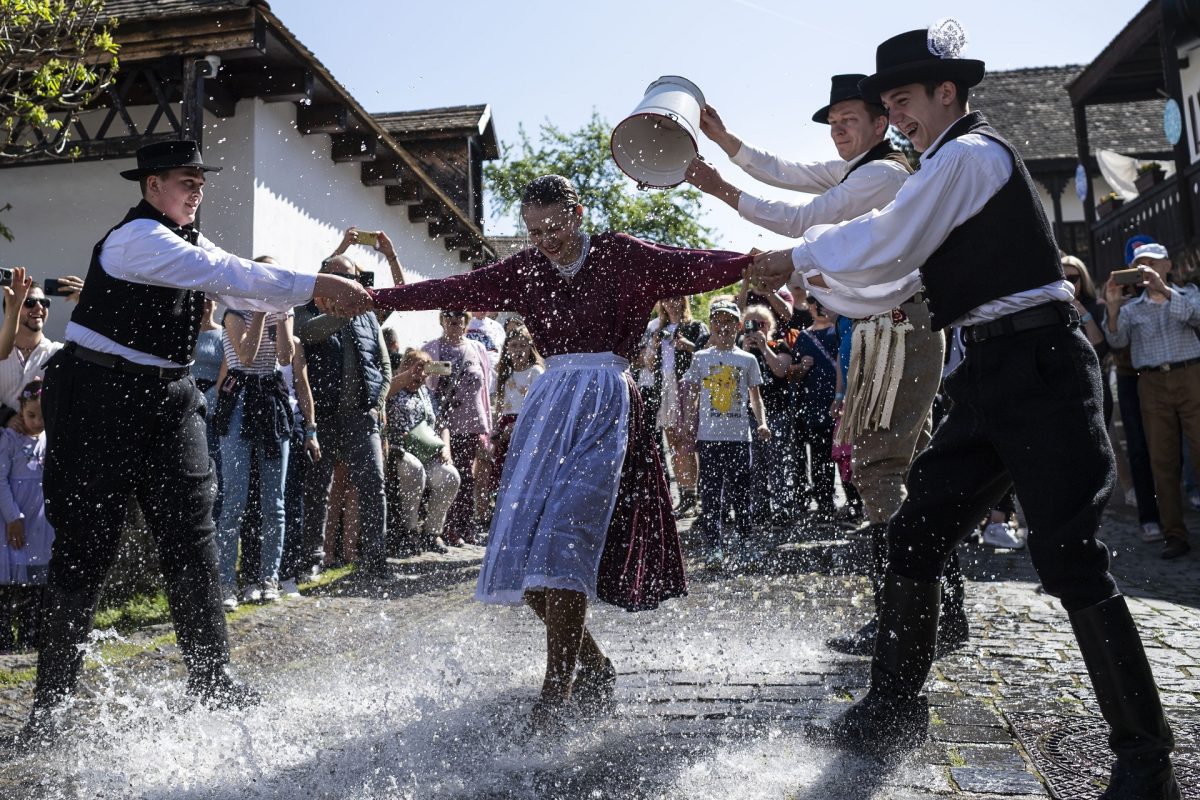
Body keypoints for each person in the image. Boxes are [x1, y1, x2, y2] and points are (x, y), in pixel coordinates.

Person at [749, 26, 1180, 796]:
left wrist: (794, 258)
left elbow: (887, 239)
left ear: (947, 92)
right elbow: (888, 275)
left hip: (1041, 368)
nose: (898, 119)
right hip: (989, 367)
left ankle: (1146, 760)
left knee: (1070, 560)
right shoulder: (939, 165)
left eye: (903, 102)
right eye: (888, 106)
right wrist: (807, 269)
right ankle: (890, 708)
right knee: (916, 533)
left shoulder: (970, 156)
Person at [369, 174, 752, 731]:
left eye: (552, 226)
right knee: (524, 558)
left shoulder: (620, 255)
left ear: (576, 212)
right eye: (532, 231)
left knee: (564, 544)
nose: (544, 240)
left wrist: (753, 262)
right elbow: (454, 288)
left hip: (607, 405)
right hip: (549, 413)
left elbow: (688, 264)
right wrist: (376, 298)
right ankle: (594, 666)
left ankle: (555, 695)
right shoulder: (525, 269)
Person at [22, 139, 370, 744]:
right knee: (85, 549)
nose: (198, 189)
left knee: (194, 538)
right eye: (187, 180)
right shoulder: (137, 240)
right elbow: (225, 275)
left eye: (200, 181)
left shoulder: (187, 239)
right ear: (152, 185)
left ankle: (213, 680)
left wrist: (318, 292)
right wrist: (314, 282)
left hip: (169, 397)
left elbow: (242, 286)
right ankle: (48, 707)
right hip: (98, 397)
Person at [688, 75, 963, 659]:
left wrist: (719, 190)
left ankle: (905, 619)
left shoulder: (883, 173)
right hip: (885, 326)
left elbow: (803, 215)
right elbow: (787, 172)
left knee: (882, 465)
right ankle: (937, 613)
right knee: (900, 468)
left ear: (879, 123)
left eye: (849, 121)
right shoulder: (862, 166)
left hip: (898, 325)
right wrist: (726, 141)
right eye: (832, 122)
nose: (838, 131)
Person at [296, 251, 393, 580]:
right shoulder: (305, 307)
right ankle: (312, 557)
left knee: (373, 486)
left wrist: (378, 404)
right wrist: (343, 313)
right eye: (340, 277)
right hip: (322, 415)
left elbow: (384, 364)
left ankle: (374, 559)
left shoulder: (367, 315)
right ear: (324, 276)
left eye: (352, 278)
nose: (348, 284)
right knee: (316, 488)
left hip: (361, 416)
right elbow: (307, 334)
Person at [1104, 241, 1200, 561]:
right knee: (1163, 460)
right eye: (1141, 265)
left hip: (1190, 376)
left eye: (1154, 264)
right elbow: (1117, 341)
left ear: (1167, 266)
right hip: (1152, 384)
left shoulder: (1188, 294)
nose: (1148, 270)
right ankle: (1174, 533)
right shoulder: (1133, 309)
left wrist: (1165, 291)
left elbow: (1195, 317)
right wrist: (1113, 309)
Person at [213, 298, 296, 609]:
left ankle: (268, 578)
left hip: (271, 399)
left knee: (274, 501)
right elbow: (246, 356)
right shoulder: (234, 314)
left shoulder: (282, 313)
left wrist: (284, 316)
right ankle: (225, 583)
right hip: (239, 400)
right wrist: (261, 310)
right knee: (235, 498)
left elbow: (285, 357)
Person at [683, 300, 771, 569]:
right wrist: (688, 424)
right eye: (718, 322)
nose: (723, 328)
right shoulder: (700, 358)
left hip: (739, 437)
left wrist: (762, 423)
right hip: (708, 438)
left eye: (729, 323)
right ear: (711, 325)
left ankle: (745, 545)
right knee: (710, 496)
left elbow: (756, 398)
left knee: (742, 494)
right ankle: (714, 549)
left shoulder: (747, 359)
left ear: (738, 326)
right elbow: (693, 396)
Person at [424, 309, 492, 545]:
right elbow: (427, 385)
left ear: (466, 320)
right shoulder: (432, 348)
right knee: (448, 474)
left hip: (471, 422)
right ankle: (447, 527)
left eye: (460, 315)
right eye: (449, 315)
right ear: (442, 320)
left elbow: (486, 390)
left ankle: (465, 525)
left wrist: (487, 429)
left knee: (467, 476)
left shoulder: (478, 349)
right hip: (444, 423)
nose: (454, 319)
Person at [386, 348, 459, 555]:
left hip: (426, 451)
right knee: (415, 469)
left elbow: (442, 424)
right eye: (416, 367)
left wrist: (445, 447)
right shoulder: (393, 386)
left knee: (450, 476)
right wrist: (407, 375)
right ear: (405, 366)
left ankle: (432, 532)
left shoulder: (426, 393)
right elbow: (383, 395)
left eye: (425, 368)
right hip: (397, 449)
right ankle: (410, 531)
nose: (420, 373)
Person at [0, 379, 52, 652]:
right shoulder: (9, 440)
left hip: (39, 524)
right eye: (32, 415)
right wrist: (12, 517)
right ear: (21, 410)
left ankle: (31, 639)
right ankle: (4, 640)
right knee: (7, 584)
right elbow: (0, 480)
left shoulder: (50, 438)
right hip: (14, 523)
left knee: (36, 584)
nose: (37, 421)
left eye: (43, 415)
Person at [648, 297, 707, 518]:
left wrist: (688, 345)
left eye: (676, 299)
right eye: (667, 300)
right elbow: (648, 364)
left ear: (683, 302)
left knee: (688, 442)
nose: (671, 304)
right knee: (673, 443)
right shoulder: (657, 328)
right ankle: (684, 496)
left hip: (687, 387)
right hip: (664, 387)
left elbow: (706, 354)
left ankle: (696, 497)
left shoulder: (695, 326)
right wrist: (654, 343)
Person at [481, 324, 545, 523]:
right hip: (506, 424)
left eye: (523, 346)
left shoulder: (536, 373)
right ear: (507, 349)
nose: (518, 351)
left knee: (524, 472)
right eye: (514, 346)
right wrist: (497, 430)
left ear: (530, 349)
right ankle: (505, 514)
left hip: (526, 424)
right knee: (504, 472)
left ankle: (524, 514)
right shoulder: (504, 375)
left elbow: (538, 408)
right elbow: (500, 407)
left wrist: (517, 427)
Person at [0, 276, 67, 429]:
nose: (39, 308)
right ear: (12, 307)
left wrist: (84, 303)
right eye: (29, 303)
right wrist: (4, 416)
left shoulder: (57, 352)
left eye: (44, 303)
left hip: (39, 450)